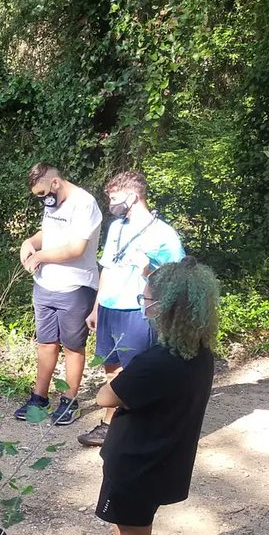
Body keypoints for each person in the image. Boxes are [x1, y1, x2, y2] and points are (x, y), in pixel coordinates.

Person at [85, 257, 219, 535]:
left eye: (146, 300)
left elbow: (104, 397)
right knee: (128, 524)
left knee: (134, 534)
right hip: (162, 457)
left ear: (166, 307)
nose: (143, 307)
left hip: (139, 463)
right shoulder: (197, 354)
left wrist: (124, 374)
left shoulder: (159, 361)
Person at [77, 171, 184, 448]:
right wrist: (96, 307)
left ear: (132, 196)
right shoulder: (117, 227)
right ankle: (110, 427)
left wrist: (147, 266)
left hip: (138, 312)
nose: (111, 203)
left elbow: (178, 279)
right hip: (110, 308)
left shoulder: (164, 234)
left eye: (114, 197)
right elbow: (108, 268)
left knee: (137, 372)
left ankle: (141, 429)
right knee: (112, 369)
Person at [16, 163, 102, 426]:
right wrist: (30, 243)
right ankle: (39, 398)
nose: (43, 199)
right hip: (45, 285)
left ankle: (69, 401)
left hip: (75, 287)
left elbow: (76, 248)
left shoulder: (85, 204)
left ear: (55, 183)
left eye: (43, 194)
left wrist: (40, 256)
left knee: (73, 347)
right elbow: (49, 233)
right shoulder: (53, 202)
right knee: (45, 343)